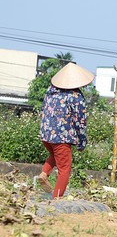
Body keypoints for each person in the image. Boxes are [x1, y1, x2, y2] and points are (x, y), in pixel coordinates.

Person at [36, 62, 93, 198]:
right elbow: (80, 121)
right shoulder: (75, 97)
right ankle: (57, 199)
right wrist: (82, 140)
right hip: (62, 137)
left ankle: (44, 173)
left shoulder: (51, 92)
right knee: (64, 169)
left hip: (46, 135)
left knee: (56, 157)